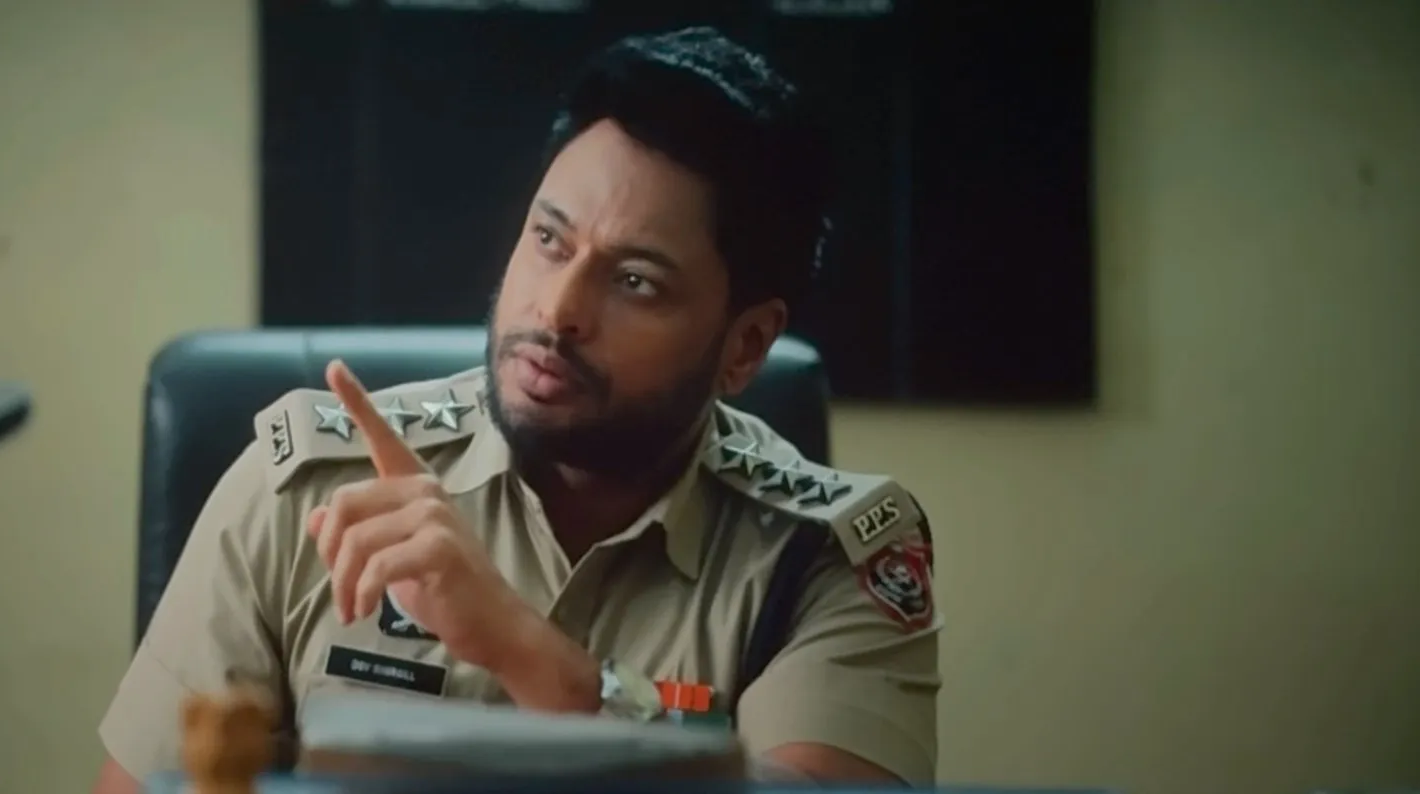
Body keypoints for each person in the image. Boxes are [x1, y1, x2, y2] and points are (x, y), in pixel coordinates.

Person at [92, 26, 940, 793]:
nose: (557, 309)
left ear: (744, 346)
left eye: (635, 281)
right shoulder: (311, 491)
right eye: (549, 240)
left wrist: (519, 646)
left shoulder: (826, 557)